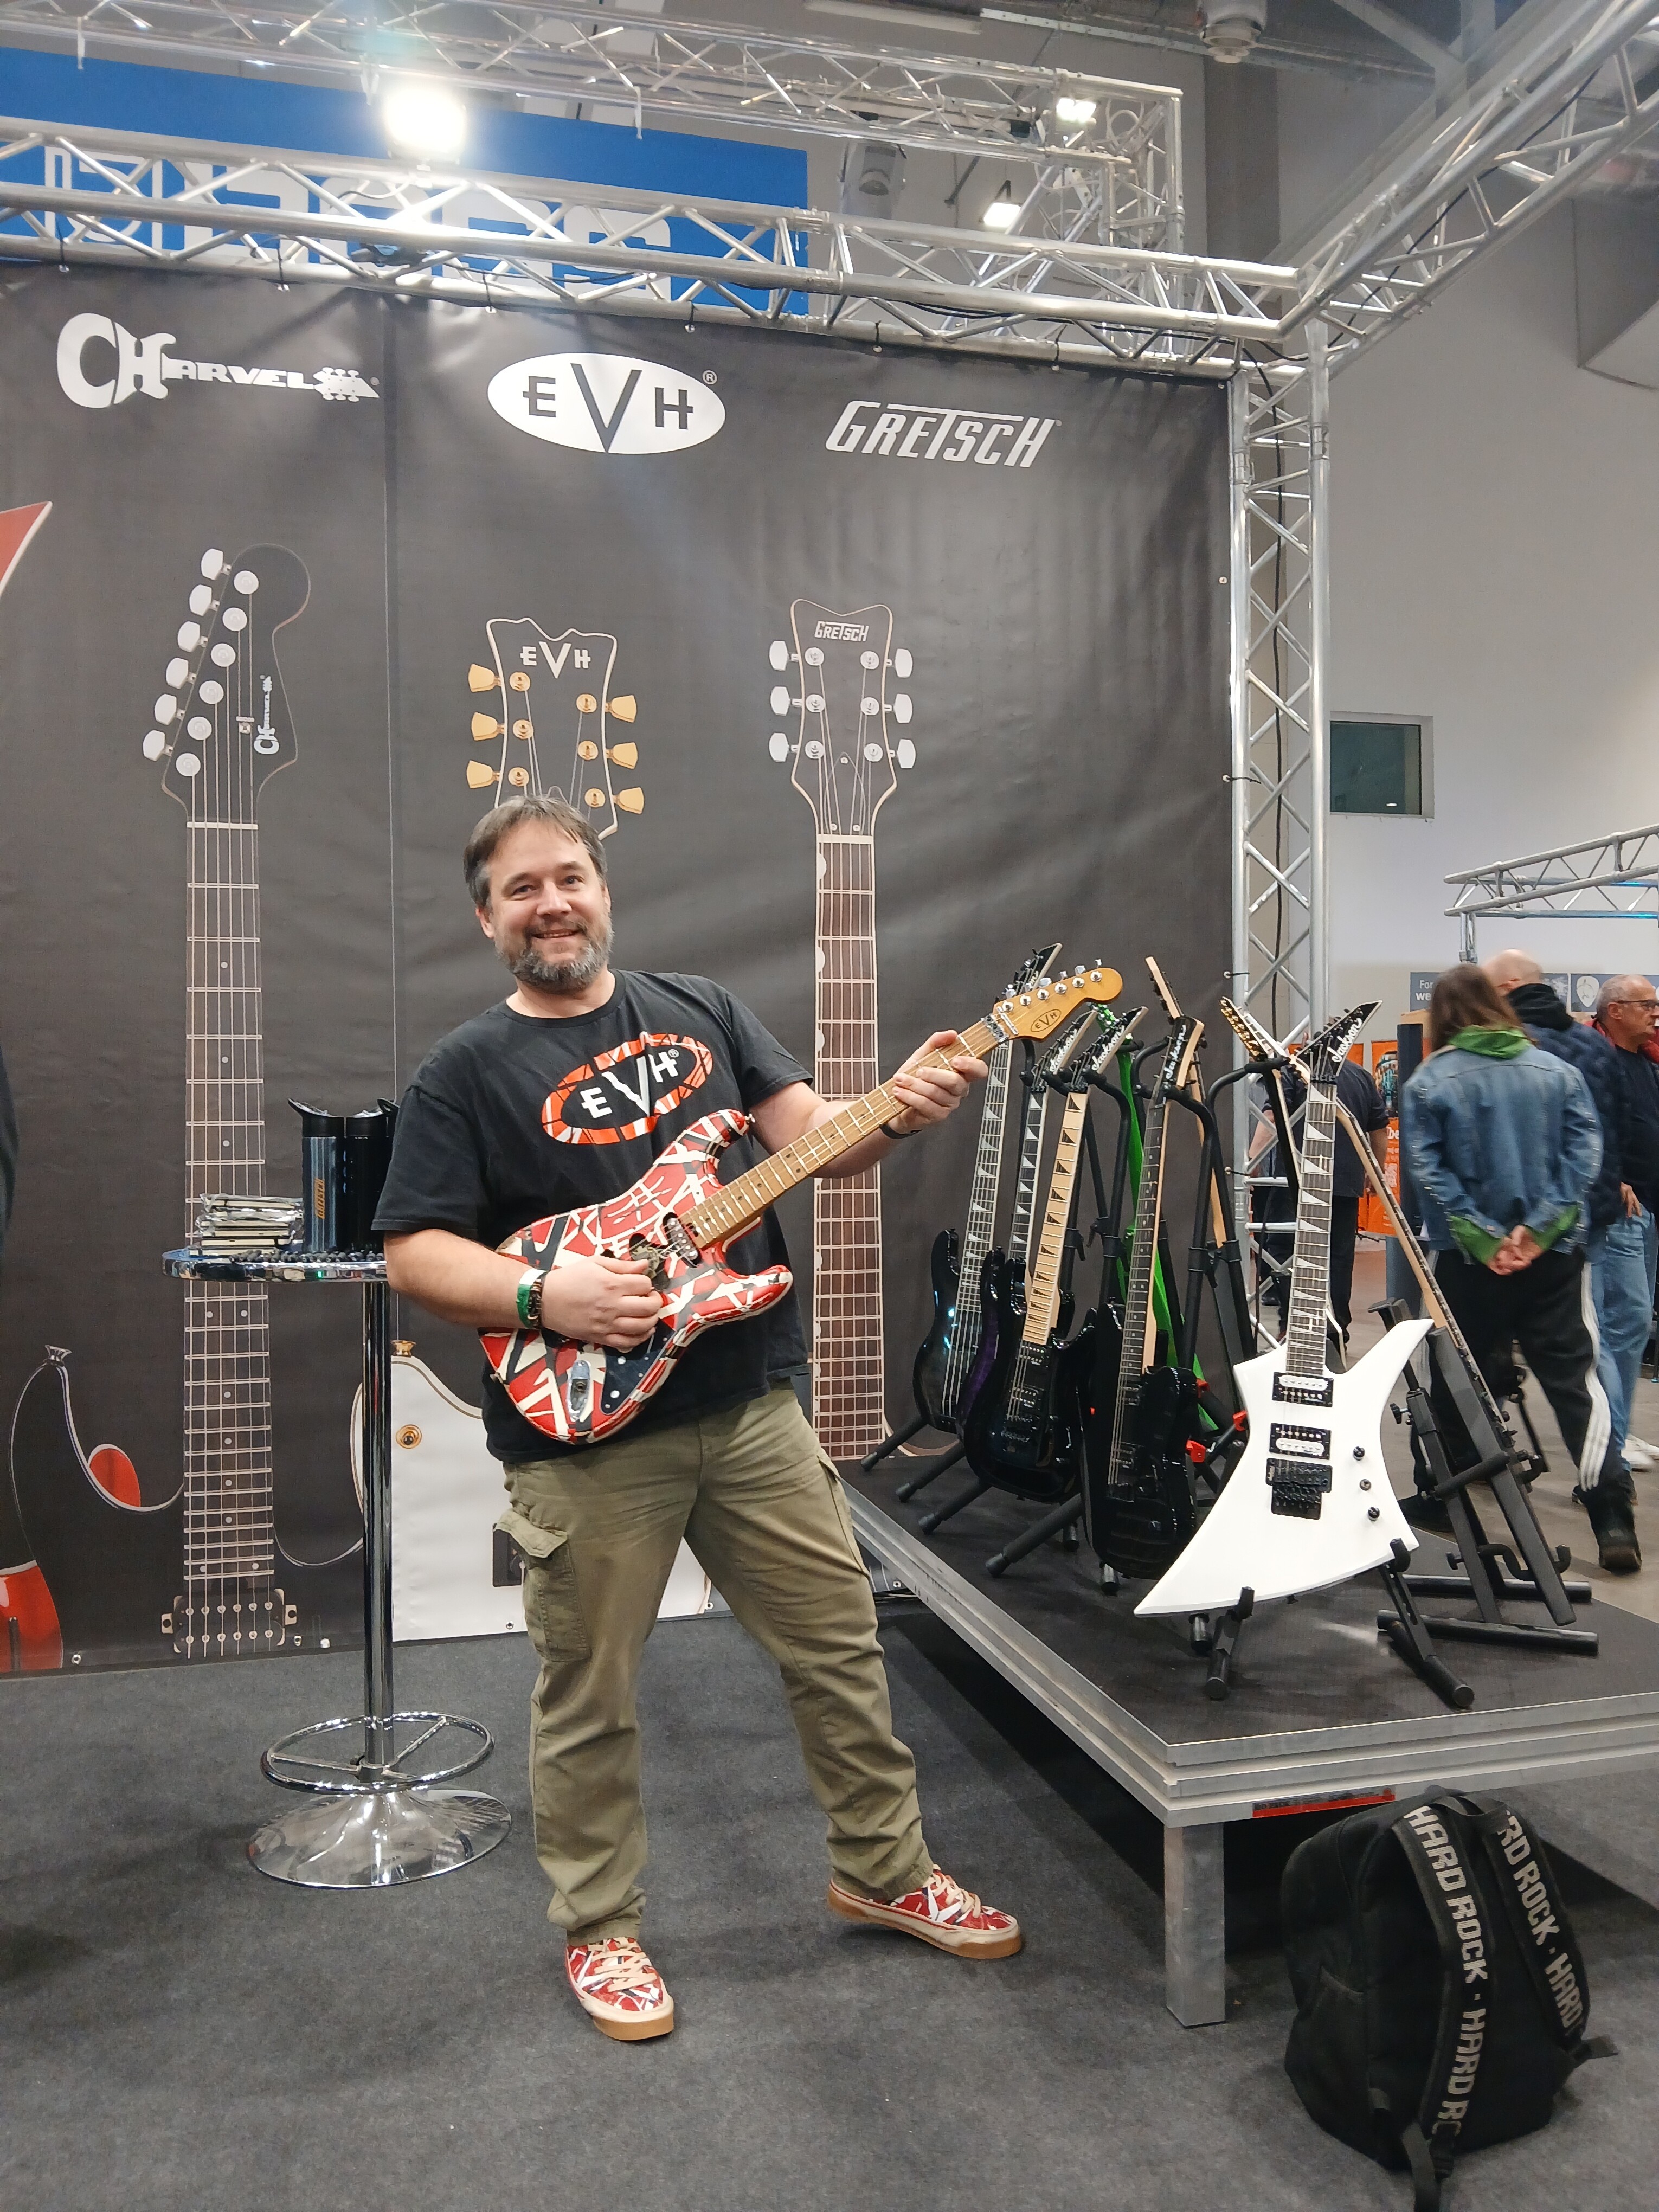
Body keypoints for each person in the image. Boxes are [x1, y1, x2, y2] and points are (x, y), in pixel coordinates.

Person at [376, 793, 1019, 2044]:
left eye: (569, 876)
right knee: (591, 1692)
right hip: (587, 1437)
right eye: (522, 888)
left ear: (604, 888)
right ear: (485, 918)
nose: (552, 903)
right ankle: (600, 1926)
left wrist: (899, 1104)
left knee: (841, 1647)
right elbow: (414, 1252)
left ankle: (884, 1869)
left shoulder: (703, 1010)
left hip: (747, 1402)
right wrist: (546, 1294)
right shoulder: (463, 1071)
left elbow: (816, 1141)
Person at [1402, 966, 1637, 1573]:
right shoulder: (1559, 1073)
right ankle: (1613, 1518)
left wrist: (1486, 1240)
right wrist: (1539, 1232)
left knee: (1455, 1379)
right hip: (1553, 1260)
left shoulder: (1429, 1081)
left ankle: (1446, 1501)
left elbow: (1428, 1172)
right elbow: (1585, 1157)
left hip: (1466, 1263)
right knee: (1577, 1386)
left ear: (1441, 1016)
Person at [1483, 952, 1642, 1473]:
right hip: (1586, 1215)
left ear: (1507, 986)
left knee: (1484, 1335)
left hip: (1518, 1220)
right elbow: (1610, 1130)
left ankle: (1481, 1451)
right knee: (1585, 1349)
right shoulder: (1593, 1044)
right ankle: (1608, 1467)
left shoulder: (1509, 1045)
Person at [1252, 1051, 1389, 1341]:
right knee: (1338, 1257)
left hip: (1299, 1179)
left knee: (1285, 1250)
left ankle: (1293, 1326)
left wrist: (1252, 1161)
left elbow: (1272, 1115)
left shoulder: (1295, 1071)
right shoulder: (1361, 1076)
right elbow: (1379, 1129)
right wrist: (1374, 1171)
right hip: (1345, 1181)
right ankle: (1335, 1330)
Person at [1590, 976, 1659, 1477]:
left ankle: (1618, 1429)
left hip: (1648, 1210)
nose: (1655, 1013)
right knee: (1623, 1323)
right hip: (1620, 1213)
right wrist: (1611, 1178)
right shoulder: (1599, 1063)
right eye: (1646, 1005)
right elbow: (1584, 1129)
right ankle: (1608, 1448)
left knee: (1631, 1329)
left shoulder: (1646, 1064)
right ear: (1615, 1010)